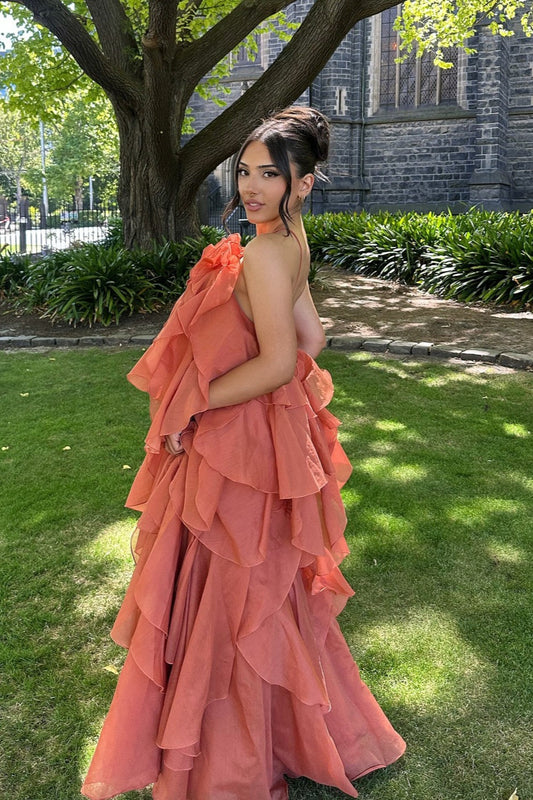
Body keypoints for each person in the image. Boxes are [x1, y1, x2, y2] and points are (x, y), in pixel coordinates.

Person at [81, 106, 405, 800]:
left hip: (236, 443)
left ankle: (233, 761)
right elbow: (311, 341)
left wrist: (195, 404)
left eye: (271, 174)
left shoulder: (262, 252)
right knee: (260, 591)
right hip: (262, 439)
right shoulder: (290, 244)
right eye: (246, 171)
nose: (252, 186)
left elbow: (280, 359)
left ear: (305, 183)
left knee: (231, 590)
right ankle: (289, 735)